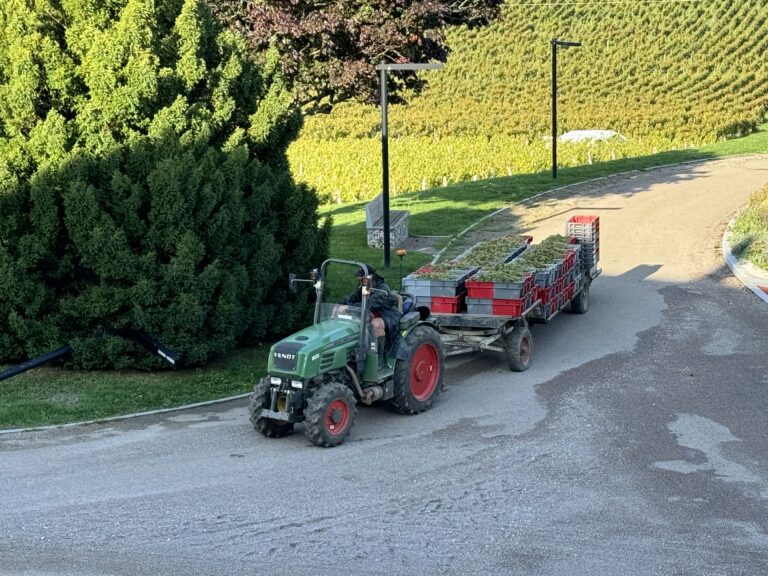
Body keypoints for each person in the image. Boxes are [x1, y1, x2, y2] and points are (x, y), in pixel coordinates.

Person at [339, 264, 401, 366]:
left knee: (375, 325)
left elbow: (370, 304)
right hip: (372, 313)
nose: (360, 279)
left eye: (362, 277)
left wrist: (349, 308)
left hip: (388, 315)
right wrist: (340, 305)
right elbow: (351, 298)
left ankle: (378, 362)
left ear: (370, 276)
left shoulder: (382, 289)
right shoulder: (364, 287)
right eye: (359, 277)